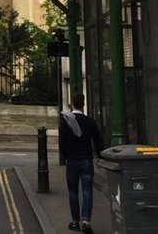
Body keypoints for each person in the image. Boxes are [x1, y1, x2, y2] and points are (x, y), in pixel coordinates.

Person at [59, 92, 104, 234]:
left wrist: (66, 156)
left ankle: (75, 221)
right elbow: (98, 141)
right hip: (86, 160)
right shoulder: (90, 122)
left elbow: (61, 142)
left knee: (73, 191)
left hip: (72, 160)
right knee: (87, 190)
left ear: (72, 103)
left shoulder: (65, 121)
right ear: (83, 104)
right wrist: (100, 158)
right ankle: (86, 221)